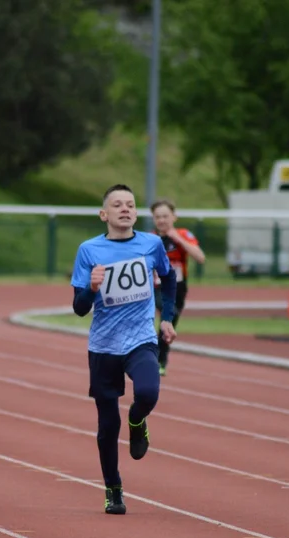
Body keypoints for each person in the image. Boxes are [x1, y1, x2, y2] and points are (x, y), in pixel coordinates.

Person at [71, 184, 178, 514]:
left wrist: (168, 318)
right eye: (117, 205)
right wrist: (90, 289)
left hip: (140, 339)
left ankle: (137, 420)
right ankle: (113, 489)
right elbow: (78, 308)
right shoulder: (89, 251)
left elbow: (170, 278)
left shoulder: (152, 244)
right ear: (104, 214)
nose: (125, 209)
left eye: (130, 204)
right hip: (104, 346)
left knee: (147, 392)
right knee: (106, 425)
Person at [150, 198, 206, 375]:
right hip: (157, 287)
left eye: (165, 216)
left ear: (174, 217)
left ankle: (160, 362)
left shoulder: (184, 234)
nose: (162, 220)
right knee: (169, 313)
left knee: (168, 325)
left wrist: (178, 239)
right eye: (158, 217)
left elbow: (200, 258)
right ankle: (153, 360)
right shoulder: (150, 238)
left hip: (179, 287)